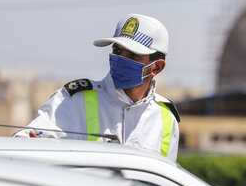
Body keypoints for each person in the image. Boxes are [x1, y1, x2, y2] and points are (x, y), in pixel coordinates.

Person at [13, 13, 180, 161]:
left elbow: (166, 181)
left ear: (157, 67)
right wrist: (24, 142)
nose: (120, 59)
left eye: (132, 55)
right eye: (117, 51)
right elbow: (23, 140)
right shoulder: (73, 99)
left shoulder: (165, 118)